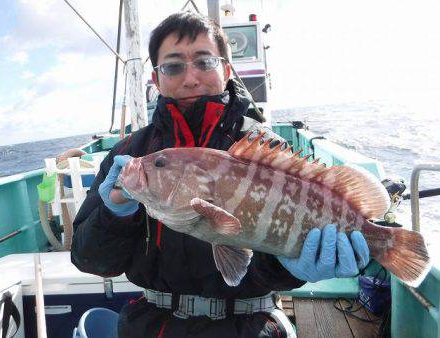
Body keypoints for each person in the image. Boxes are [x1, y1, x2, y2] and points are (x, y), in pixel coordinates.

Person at [71, 12, 369, 338]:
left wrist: (290, 268)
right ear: (156, 80)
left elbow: (264, 274)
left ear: (226, 70)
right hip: (152, 326)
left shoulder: (268, 150)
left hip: (251, 326)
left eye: (204, 62)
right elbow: (91, 261)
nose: (190, 78)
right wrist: (114, 214)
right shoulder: (130, 153)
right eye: (173, 66)